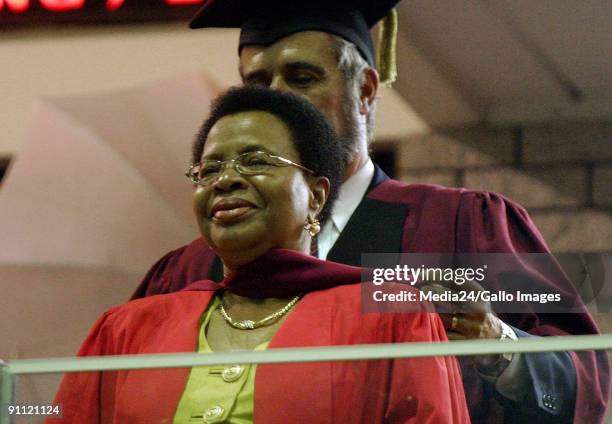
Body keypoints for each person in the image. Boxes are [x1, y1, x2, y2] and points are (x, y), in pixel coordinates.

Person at [131, 1, 609, 422]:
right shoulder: (189, 268)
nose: (275, 99)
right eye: (257, 82)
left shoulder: (462, 227)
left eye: (302, 77)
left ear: (365, 90)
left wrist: (496, 344)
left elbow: (587, 377)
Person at [48, 86, 470, 424]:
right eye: (208, 170)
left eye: (255, 161)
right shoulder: (127, 330)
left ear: (317, 195)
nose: (226, 180)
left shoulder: (391, 318)